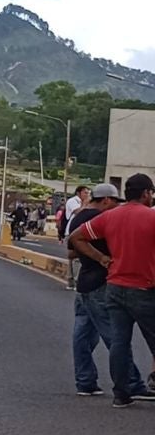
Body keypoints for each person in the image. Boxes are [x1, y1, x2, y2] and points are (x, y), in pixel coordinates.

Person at [70, 174, 155, 408]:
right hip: (145, 288)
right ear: (146, 193)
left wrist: (103, 258)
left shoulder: (109, 217)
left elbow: (76, 238)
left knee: (119, 341)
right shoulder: (151, 217)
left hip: (115, 287)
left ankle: (121, 394)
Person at [65, 186, 90, 290]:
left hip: (77, 230)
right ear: (79, 193)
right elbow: (78, 213)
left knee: (74, 257)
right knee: (76, 258)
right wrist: (85, 204)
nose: (87, 195)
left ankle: (71, 281)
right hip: (72, 231)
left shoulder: (83, 202)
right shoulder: (73, 201)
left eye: (88, 193)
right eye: (85, 192)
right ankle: (75, 281)